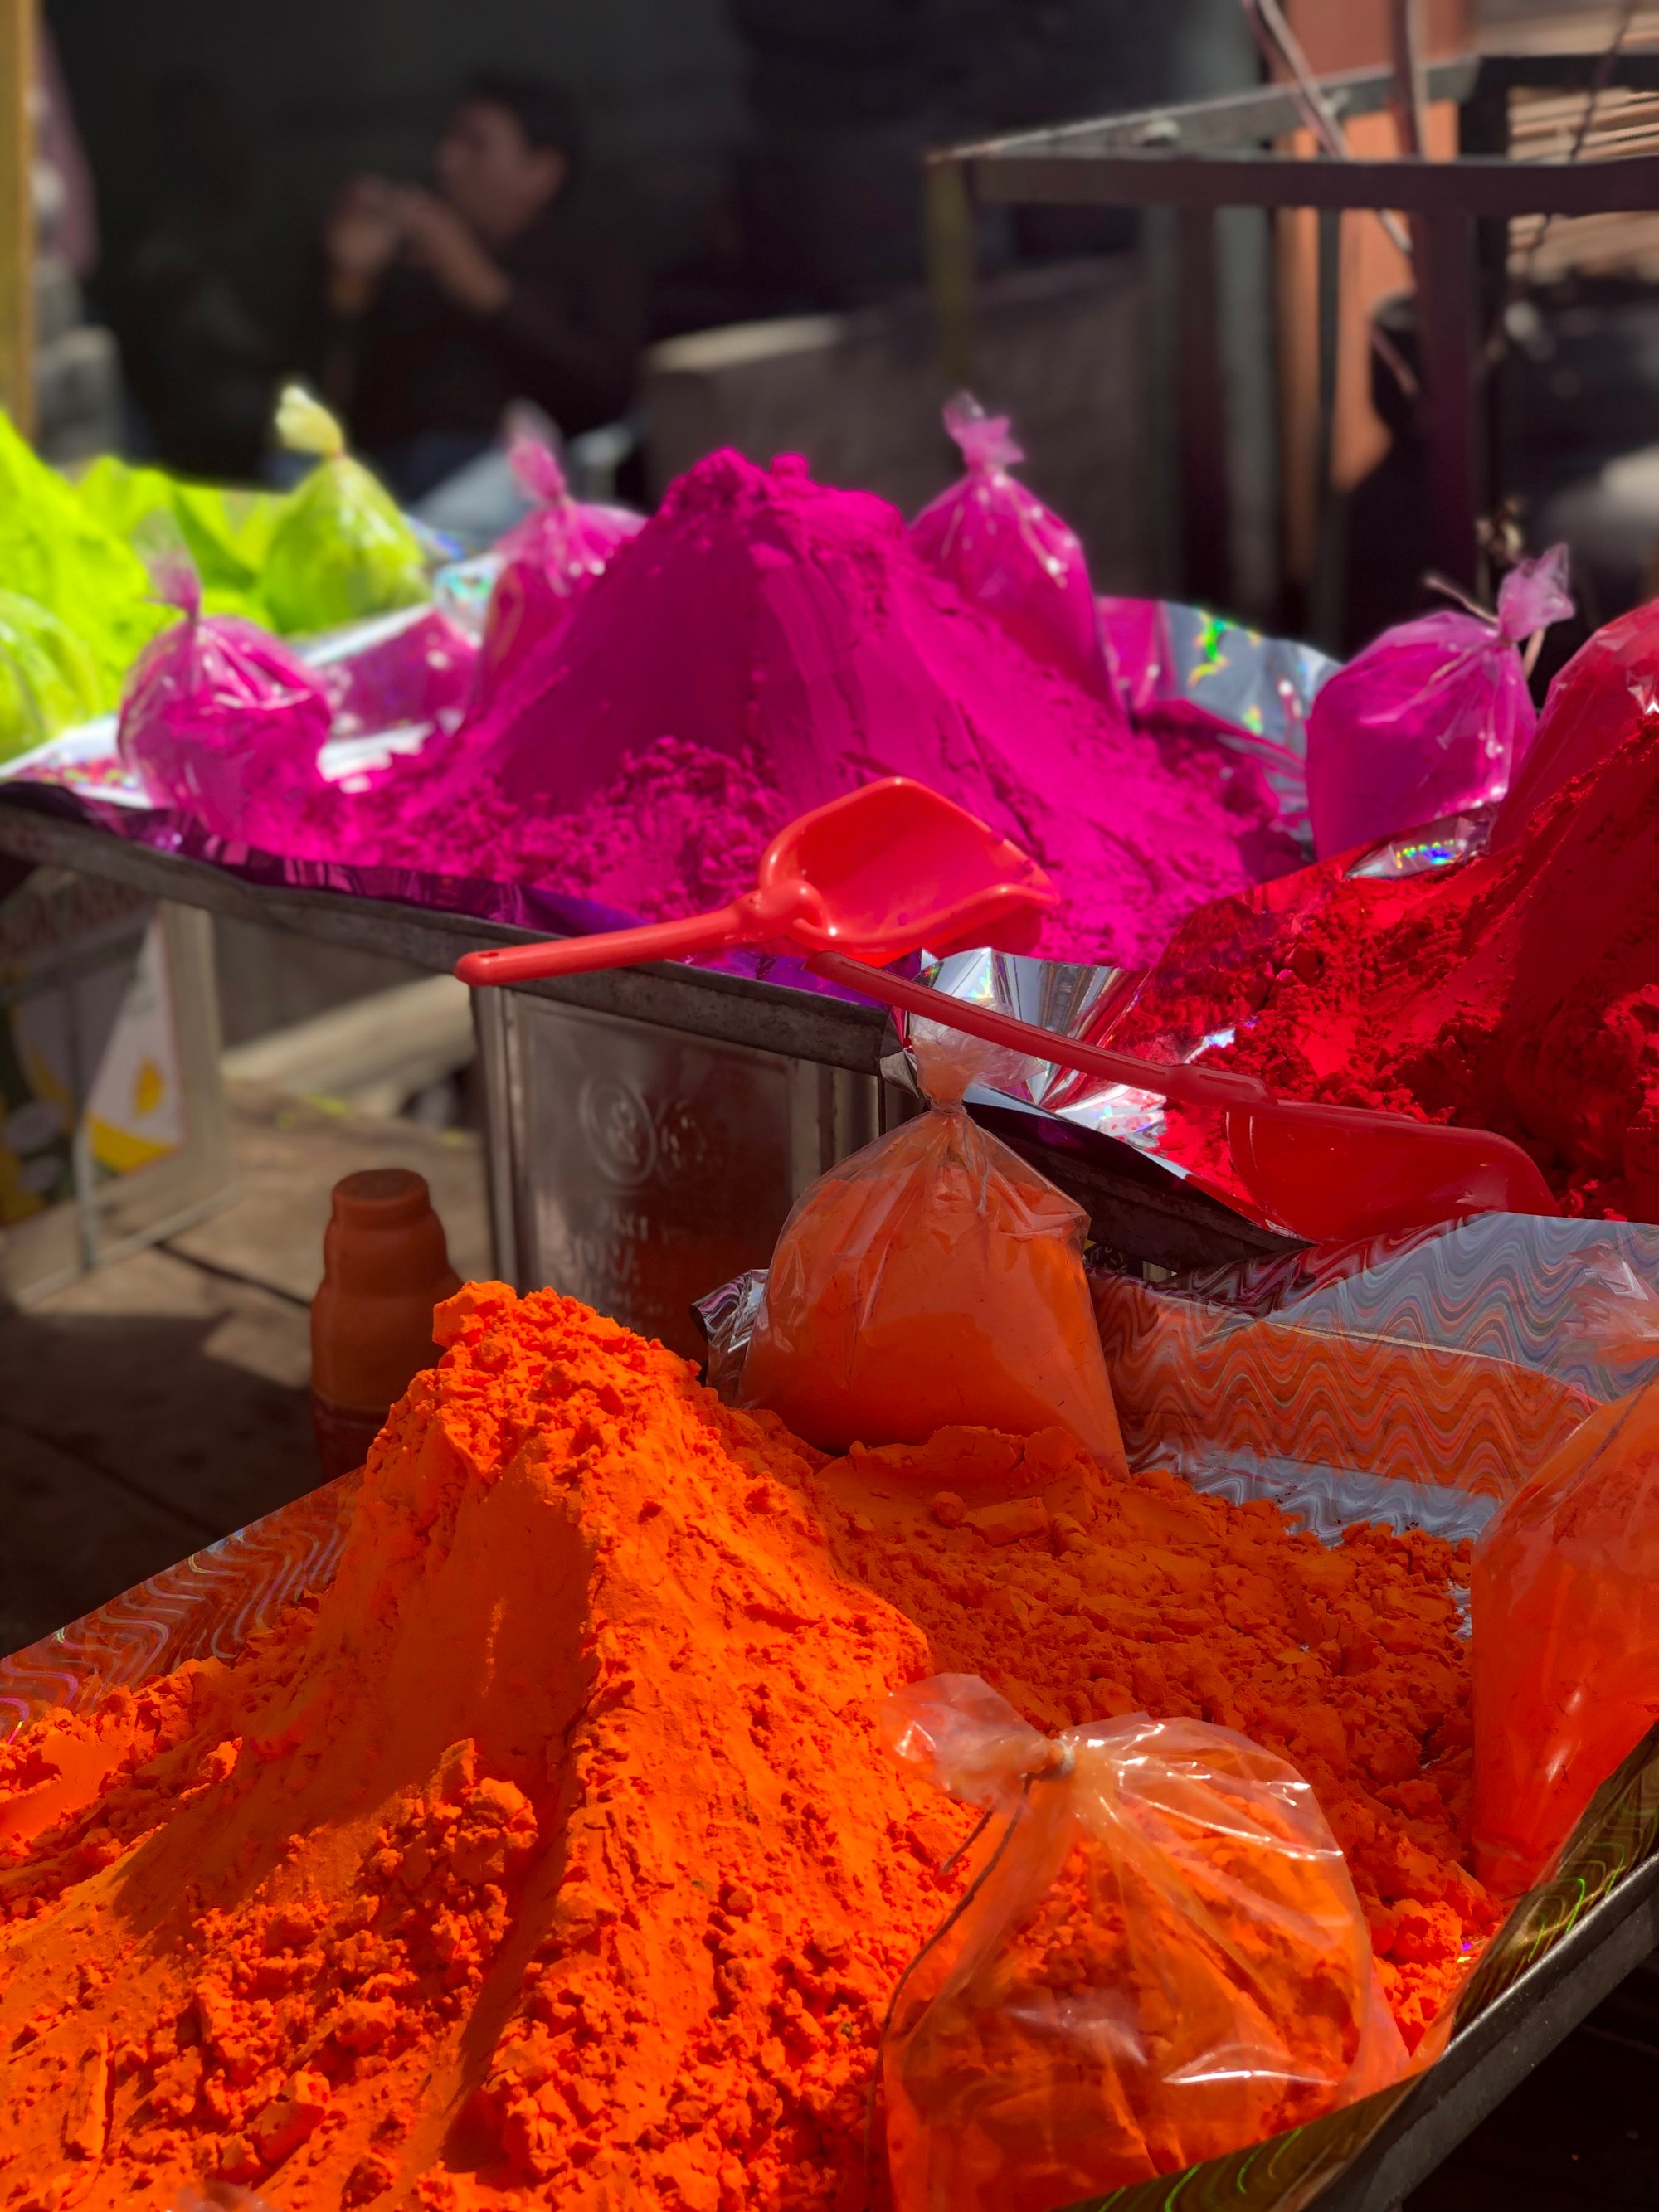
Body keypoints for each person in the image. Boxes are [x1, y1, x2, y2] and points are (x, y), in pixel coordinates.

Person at [317, 75, 644, 503]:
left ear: (541, 171)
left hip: (515, 484)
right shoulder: (409, 261)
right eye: (448, 141)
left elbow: (607, 392)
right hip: (387, 483)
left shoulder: (591, 257)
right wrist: (350, 283)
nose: (446, 160)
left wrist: (478, 284)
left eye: (475, 144)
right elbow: (325, 411)